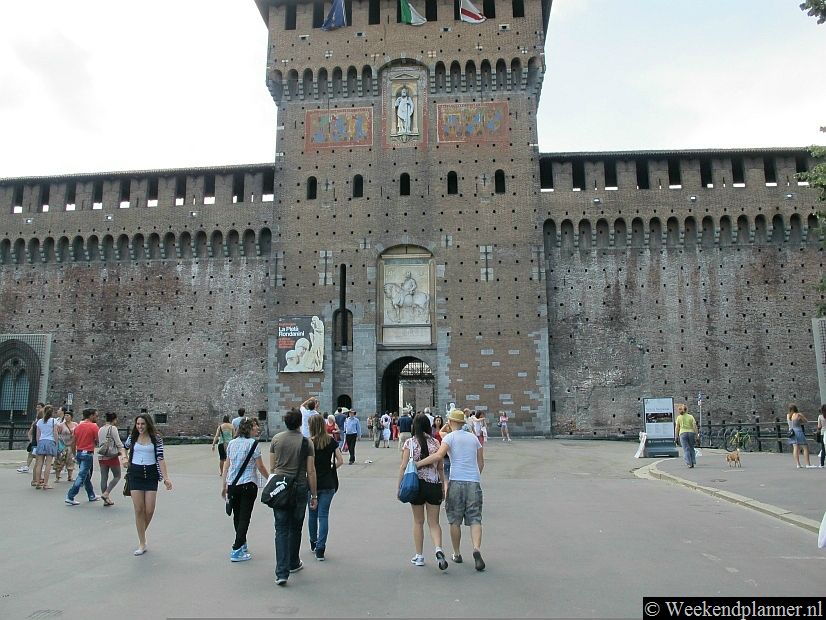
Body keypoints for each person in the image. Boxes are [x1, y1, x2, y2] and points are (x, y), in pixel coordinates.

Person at [416, 409, 485, 571]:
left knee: (455, 520)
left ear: (450, 421)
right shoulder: (474, 438)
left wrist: (418, 464)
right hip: (473, 481)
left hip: (456, 480)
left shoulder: (449, 437)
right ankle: (476, 549)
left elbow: (439, 456)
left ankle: (457, 553)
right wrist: (475, 476)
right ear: (462, 422)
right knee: (475, 518)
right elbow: (481, 462)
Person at [269, 408, 317, 586]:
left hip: (280, 486)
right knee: (295, 527)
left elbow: (273, 468)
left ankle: (281, 572)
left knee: (280, 529)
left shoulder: (276, 439)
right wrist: (314, 494)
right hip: (299, 487)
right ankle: (293, 562)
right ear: (299, 423)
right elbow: (310, 471)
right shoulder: (306, 443)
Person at [399, 414, 447, 570]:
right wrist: (442, 486)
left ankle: (419, 556)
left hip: (416, 485)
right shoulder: (436, 443)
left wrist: (399, 486)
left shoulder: (410, 443)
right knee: (434, 523)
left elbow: (403, 466)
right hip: (433, 484)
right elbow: (440, 468)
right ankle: (438, 549)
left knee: (418, 522)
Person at [125, 413, 173, 555]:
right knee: (139, 509)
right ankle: (142, 542)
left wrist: (166, 478)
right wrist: (123, 457)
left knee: (150, 509)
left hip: (151, 474)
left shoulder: (156, 438)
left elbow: (160, 458)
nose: (140, 427)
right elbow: (123, 446)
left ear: (148, 424)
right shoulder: (133, 437)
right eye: (138, 424)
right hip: (135, 474)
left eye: (143, 424)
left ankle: (141, 532)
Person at [222, 417, 269, 562]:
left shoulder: (232, 443)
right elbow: (260, 466)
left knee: (237, 516)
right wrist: (270, 478)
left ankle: (241, 543)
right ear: (248, 429)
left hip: (233, 484)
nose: (257, 429)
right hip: (248, 484)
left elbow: (226, 465)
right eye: (255, 427)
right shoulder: (253, 444)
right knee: (245, 517)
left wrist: (224, 485)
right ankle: (237, 549)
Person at [308, 414, 343, 560]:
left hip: (311, 482)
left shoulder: (309, 442)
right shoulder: (330, 440)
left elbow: (306, 466)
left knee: (312, 514)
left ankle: (313, 542)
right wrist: (331, 468)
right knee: (323, 515)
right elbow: (340, 460)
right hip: (328, 481)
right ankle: (321, 549)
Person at [65, 408, 102, 505]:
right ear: (91, 415)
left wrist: (74, 454)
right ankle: (70, 496)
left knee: (86, 476)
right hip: (88, 453)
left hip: (79, 452)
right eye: (95, 415)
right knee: (82, 476)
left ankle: (91, 495)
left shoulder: (78, 427)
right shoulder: (94, 426)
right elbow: (98, 440)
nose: (96, 417)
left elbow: (73, 442)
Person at [98, 412, 127, 506]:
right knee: (117, 475)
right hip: (111, 456)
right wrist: (123, 453)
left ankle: (106, 499)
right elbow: (118, 443)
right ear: (114, 419)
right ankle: (106, 493)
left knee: (103, 477)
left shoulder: (100, 429)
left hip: (102, 456)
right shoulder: (113, 428)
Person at [32, 404, 58, 489]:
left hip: (41, 441)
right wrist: (56, 443)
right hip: (50, 441)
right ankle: (46, 483)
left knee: (39, 464)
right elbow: (55, 433)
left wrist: (39, 443)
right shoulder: (54, 421)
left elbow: (38, 434)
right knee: (48, 464)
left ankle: (38, 482)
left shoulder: (39, 421)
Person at [787, 404, 814, 469]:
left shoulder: (788, 415)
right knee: (805, 447)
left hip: (791, 432)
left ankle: (798, 464)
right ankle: (808, 464)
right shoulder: (798, 414)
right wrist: (800, 420)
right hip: (798, 431)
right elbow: (805, 421)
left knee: (795, 448)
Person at [53, 408, 77, 482]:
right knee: (60, 460)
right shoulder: (60, 425)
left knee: (71, 460)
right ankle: (57, 476)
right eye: (65, 415)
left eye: (68, 415)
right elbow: (57, 434)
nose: (66, 417)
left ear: (71, 417)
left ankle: (70, 476)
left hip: (72, 445)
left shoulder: (75, 424)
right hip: (63, 445)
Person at [674, 403, 698, 468]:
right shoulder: (691, 416)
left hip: (682, 433)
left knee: (686, 449)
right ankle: (693, 461)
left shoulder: (679, 418)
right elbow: (694, 426)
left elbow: (677, 428)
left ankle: (689, 463)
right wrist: (697, 435)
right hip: (691, 433)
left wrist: (676, 437)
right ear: (686, 410)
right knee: (691, 448)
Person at [817, 404, 826, 468]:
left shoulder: (820, 416)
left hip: (823, 433)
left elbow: (819, 426)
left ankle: (822, 464)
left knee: (823, 449)